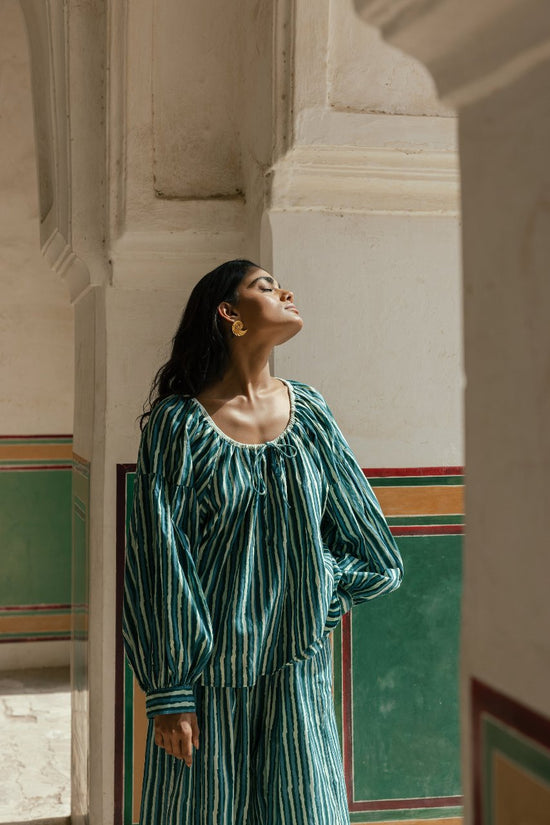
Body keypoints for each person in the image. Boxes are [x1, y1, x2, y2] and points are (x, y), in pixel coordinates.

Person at [122, 259, 404, 825]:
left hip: (298, 674)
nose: (286, 292)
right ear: (230, 313)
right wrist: (170, 693)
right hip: (209, 682)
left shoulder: (311, 415)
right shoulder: (179, 427)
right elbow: (160, 559)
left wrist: (319, 586)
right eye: (266, 286)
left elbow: (376, 552)